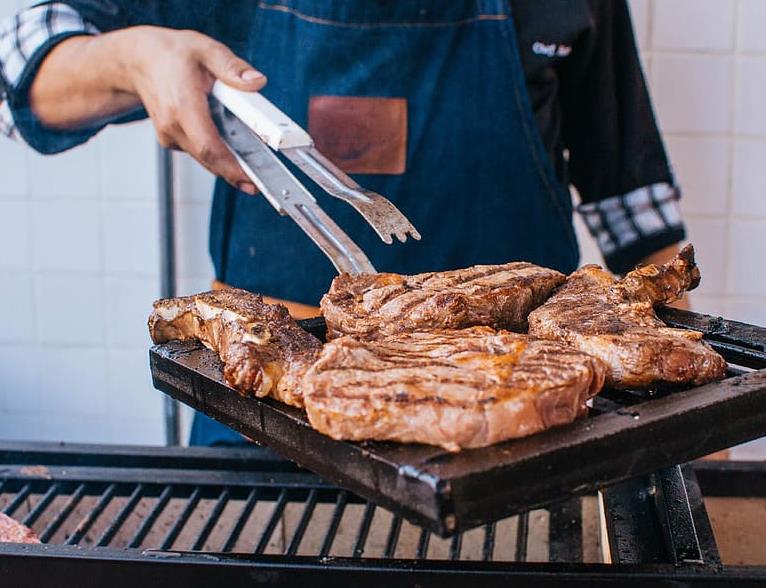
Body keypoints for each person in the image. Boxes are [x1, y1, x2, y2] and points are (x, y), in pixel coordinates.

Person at [0, 0, 687, 446]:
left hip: (527, 405)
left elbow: (630, 196)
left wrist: (690, 420)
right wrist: (131, 56)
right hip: (270, 388)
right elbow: (21, 65)